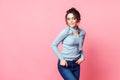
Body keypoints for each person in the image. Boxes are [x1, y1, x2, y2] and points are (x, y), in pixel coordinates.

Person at [51, 7, 86, 80]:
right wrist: (62, 59)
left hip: (76, 64)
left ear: (78, 19)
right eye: (68, 19)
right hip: (65, 64)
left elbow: (79, 48)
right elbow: (53, 45)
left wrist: (82, 57)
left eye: (73, 18)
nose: (71, 21)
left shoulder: (82, 33)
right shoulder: (65, 32)